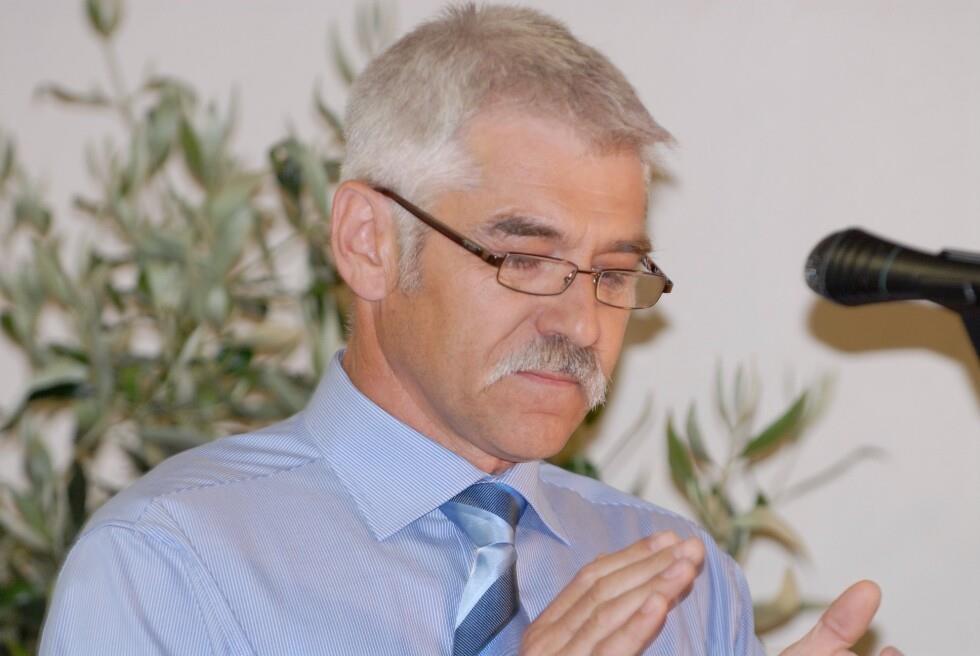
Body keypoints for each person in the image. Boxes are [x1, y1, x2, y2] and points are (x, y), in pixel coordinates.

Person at [40, 4, 902, 655]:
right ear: (368, 243)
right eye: (523, 258)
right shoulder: (168, 564)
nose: (581, 323)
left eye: (612, 274)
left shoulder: (680, 579)